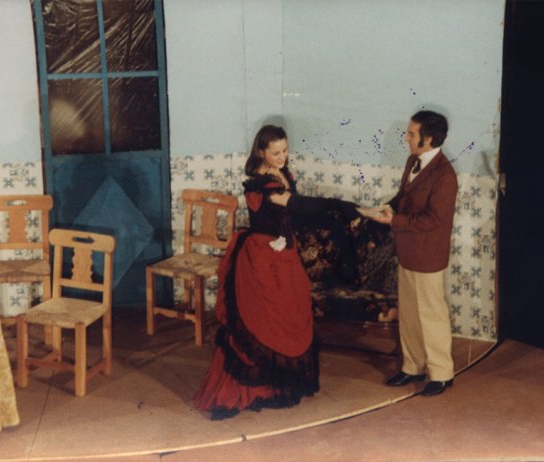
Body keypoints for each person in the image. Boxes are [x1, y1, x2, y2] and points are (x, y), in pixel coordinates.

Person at [194, 125, 359, 419]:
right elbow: (295, 204)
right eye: (275, 152)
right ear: (261, 152)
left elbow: (292, 214)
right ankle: (241, 393)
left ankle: (277, 388)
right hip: (262, 258)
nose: (282, 156)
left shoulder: (281, 174)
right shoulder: (262, 184)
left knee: (289, 317)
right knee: (262, 323)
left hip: (283, 255)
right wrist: (340, 206)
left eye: (285, 150)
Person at [370, 110, 457, 397]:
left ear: (428, 139)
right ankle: (412, 367)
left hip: (428, 256)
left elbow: (434, 220)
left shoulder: (445, 176)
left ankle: (441, 374)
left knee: (431, 316)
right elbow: (404, 198)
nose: (406, 138)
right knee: (409, 314)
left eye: (411, 134)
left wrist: (394, 221)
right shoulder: (413, 161)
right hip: (408, 250)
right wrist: (388, 207)